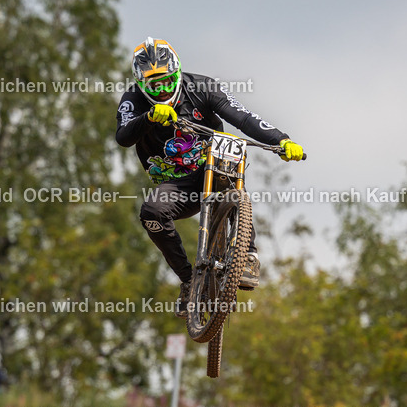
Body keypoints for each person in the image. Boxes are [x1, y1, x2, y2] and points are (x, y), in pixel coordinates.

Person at [115, 37, 305, 317]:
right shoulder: (133, 99)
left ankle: (248, 254)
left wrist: (281, 140)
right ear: (141, 83)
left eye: (167, 81)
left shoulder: (203, 87)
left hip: (212, 164)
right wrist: (150, 117)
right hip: (177, 183)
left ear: (178, 72)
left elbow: (242, 117)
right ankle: (188, 280)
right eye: (154, 85)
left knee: (229, 159)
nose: (163, 89)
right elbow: (123, 136)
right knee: (151, 214)